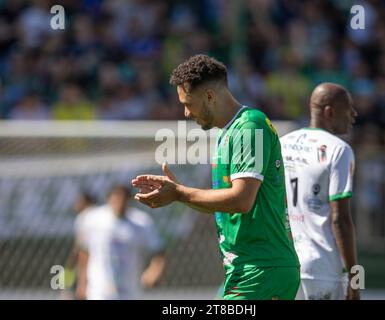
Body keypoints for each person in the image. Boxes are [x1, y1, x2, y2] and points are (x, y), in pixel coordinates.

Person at [131, 54, 300, 300]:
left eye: (188, 103)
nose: (186, 113)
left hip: (262, 269)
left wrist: (179, 193)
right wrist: (178, 192)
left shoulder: (249, 127)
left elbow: (241, 200)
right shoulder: (226, 133)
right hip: (251, 268)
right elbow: (227, 201)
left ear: (209, 96)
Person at [280, 82, 360, 300]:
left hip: (284, 266)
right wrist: (356, 279)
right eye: (348, 108)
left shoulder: (282, 143)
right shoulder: (339, 150)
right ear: (330, 112)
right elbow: (340, 219)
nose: (354, 114)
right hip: (324, 269)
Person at [75, 185, 166, 300]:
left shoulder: (142, 222)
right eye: (116, 198)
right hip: (99, 290)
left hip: (130, 290)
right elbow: (84, 252)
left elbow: (158, 250)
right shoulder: (93, 219)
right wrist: (82, 283)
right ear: (109, 199)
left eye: (123, 199)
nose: (119, 203)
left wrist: (154, 270)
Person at [62, 191, 97, 299]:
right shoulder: (95, 215)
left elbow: (82, 249)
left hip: (89, 260)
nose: (75, 204)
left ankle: (66, 290)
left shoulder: (85, 217)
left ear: (86, 202)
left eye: (79, 201)